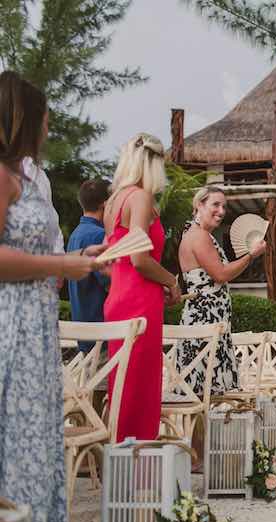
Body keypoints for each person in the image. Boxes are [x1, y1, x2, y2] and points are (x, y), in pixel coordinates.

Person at [0, 71, 103, 522]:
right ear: (22, 120)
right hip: (11, 325)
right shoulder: (1, 176)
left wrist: (77, 258)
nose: (47, 130)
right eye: (43, 120)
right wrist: (61, 267)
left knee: (38, 438)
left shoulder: (23, 175)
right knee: (19, 440)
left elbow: (32, 250)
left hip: (35, 325)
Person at [104, 133, 180, 442]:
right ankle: (136, 467)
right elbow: (139, 258)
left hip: (118, 296)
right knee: (140, 387)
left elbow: (115, 259)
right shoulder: (140, 197)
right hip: (139, 301)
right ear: (154, 164)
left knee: (121, 385)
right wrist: (171, 280)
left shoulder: (113, 201)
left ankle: (118, 460)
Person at [177, 186, 266, 395]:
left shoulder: (199, 234)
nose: (221, 211)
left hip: (210, 320)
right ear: (199, 205)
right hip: (204, 322)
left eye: (224, 206)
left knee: (204, 391)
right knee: (205, 390)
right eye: (215, 204)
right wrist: (251, 256)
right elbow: (221, 274)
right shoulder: (199, 236)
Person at [66, 179, 111, 344]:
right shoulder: (99, 236)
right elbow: (109, 282)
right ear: (105, 204)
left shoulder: (76, 234)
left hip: (82, 326)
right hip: (100, 329)